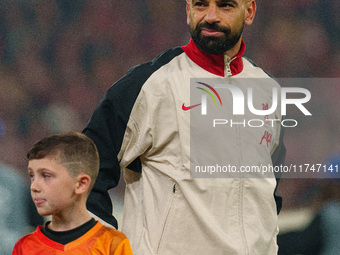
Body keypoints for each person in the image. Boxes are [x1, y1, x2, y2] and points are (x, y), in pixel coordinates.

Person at [83, 0, 286, 254]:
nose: (211, 16)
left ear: (249, 12)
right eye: (201, 4)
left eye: (225, 6)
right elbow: (84, 169)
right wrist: (106, 247)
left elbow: (268, 193)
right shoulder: (150, 85)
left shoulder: (268, 90)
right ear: (188, 9)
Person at [12, 132, 133, 255]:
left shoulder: (112, 244)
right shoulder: (24, 247)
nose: (34, 186)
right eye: (32, 176)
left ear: (81, 184)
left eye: (46, 176)